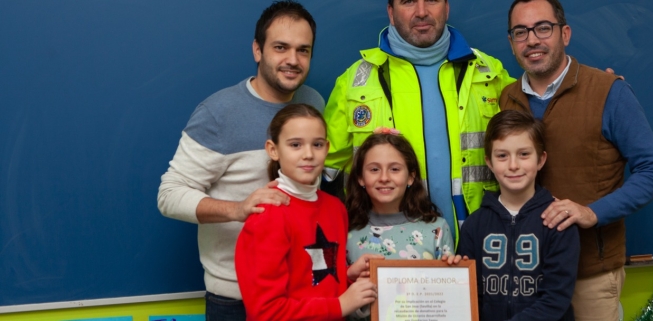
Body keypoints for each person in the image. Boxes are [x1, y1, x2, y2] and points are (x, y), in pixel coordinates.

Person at [498, 1, 653, 320]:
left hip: (589, 274)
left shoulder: (609, 92)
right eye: (520, 32)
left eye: (543, 28)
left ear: (565, 33)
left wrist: (594, 212)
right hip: (525, 274)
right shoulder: (507, 98)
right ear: (511, 42)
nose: (532, 40)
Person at [156, 1, 324, 318]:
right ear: (257, 50)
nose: (293, 60)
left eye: (303, 50)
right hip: (236, 299)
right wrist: (238, 209)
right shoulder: (218, 113)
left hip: (302, 291)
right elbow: (169, 195)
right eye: (280, 48)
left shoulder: (313, 103)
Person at [323, 0, 515, 240]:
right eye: (408, 2)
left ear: (446, 8)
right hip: (387, 250)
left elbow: (529, 151)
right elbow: (322, 173)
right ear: (391, 13)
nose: (422, 12)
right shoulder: (353, 83)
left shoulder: (490, 73)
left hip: (480, 243)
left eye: (432, 1)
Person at [235, 104, 377, 321]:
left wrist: (348, 276)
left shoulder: (335, 208)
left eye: (317, 144)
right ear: (273, 150)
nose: (309, 154)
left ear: (327, 148)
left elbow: (315, 283)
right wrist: (341, 305)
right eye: (295, 145)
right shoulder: (267, 216)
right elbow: (266, 312)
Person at [455, 110, 579, 321]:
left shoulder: (558, 220)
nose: (513, 165)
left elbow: (556, 298)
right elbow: (467, 295)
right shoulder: (474, 225)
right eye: (502, 156)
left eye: (524, 154)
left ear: (541, 160)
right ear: (489, 162)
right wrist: (453, 272)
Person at [344, 131, 456, 320]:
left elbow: (449, 302)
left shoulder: (436, 229)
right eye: (374, 169)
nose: (384, 177)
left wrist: (456, 275)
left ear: (411, 177)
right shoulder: (346, 231)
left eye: (395, 169)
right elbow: (337, 299)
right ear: (360, 178)